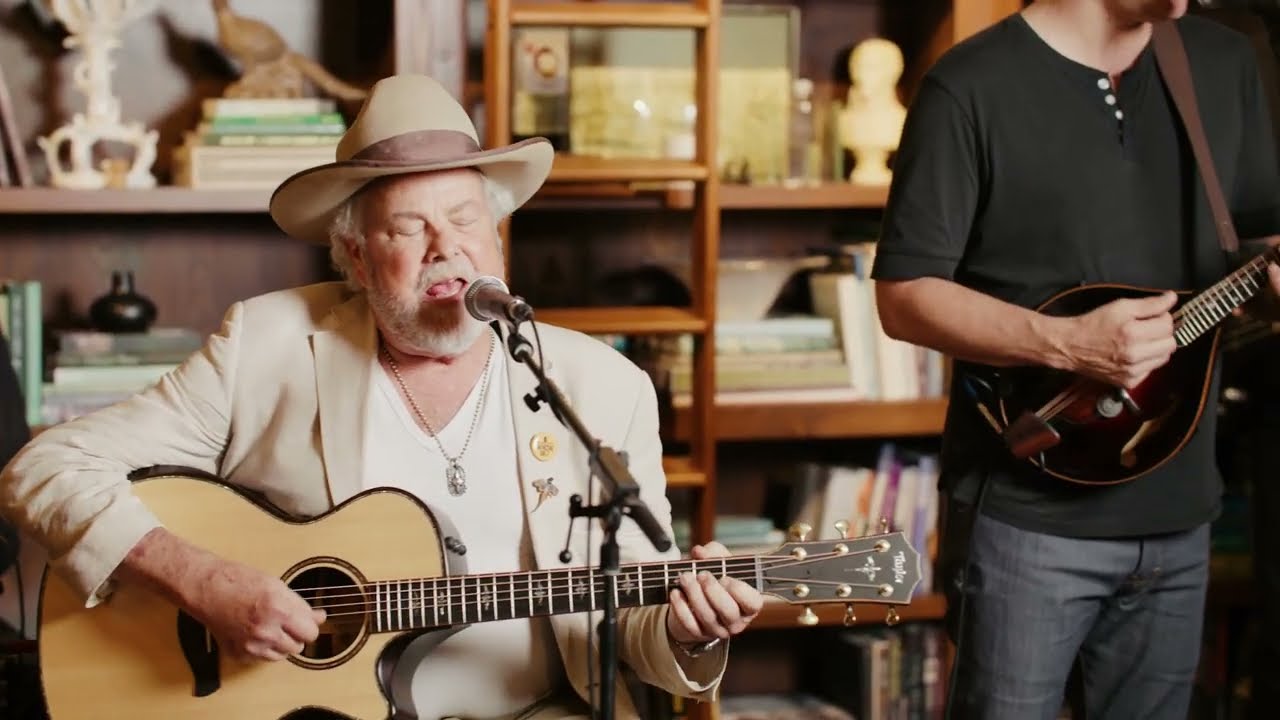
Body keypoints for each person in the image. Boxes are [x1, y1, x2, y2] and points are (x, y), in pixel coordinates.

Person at [0, 73, 763, 720]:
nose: (447, 248)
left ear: (498, 239)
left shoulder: (602, 387)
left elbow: (636, 631)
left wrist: (692, 632)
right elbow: (45, 469)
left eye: (466, 220)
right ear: (358, 260)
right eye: (408, 228)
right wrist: (203, 583)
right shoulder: (264, 348)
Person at [869, 1, 1280, 718]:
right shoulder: (969, 83)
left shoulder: (1222, 62)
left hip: (1181, 514)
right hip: (1027, 522)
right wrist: (1066, 342)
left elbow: (1258, 243)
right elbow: (904, 297)